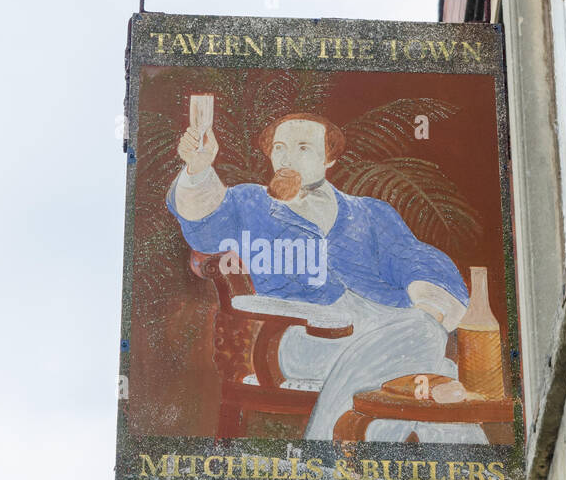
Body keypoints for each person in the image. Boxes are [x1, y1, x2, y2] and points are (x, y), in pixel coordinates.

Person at [167, 111, 486, 444]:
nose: (287, 157)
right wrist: (199, 169)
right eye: (279, 148)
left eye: (303, 147)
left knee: (430, 365)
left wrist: (429, 308)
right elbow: (206, 228)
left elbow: (417, 259)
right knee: (432, 361)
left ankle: (444, 470)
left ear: (328, 159)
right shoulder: (251, 203)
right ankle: (328, 451)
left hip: (386, 328)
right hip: (300, 338)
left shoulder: (370, 213)